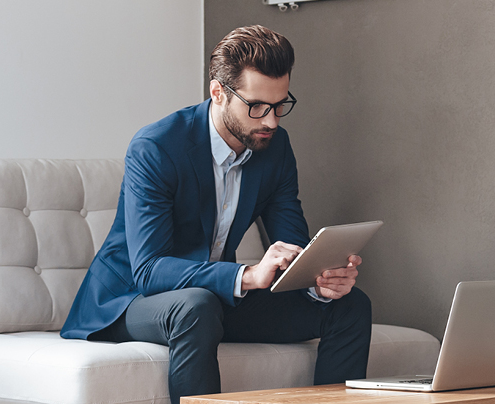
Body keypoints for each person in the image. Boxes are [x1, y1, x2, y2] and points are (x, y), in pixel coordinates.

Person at [61, 25, 372, 403]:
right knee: (197, 304)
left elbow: (292, 241)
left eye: (279, 105)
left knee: (350, 305)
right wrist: (247, 275)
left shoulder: (274, 147)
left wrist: (318, 279)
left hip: (212, 299)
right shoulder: (157, 148)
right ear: (218, 93)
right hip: (130, 300)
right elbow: (149, 270)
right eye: (257, 107)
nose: (271, 121)